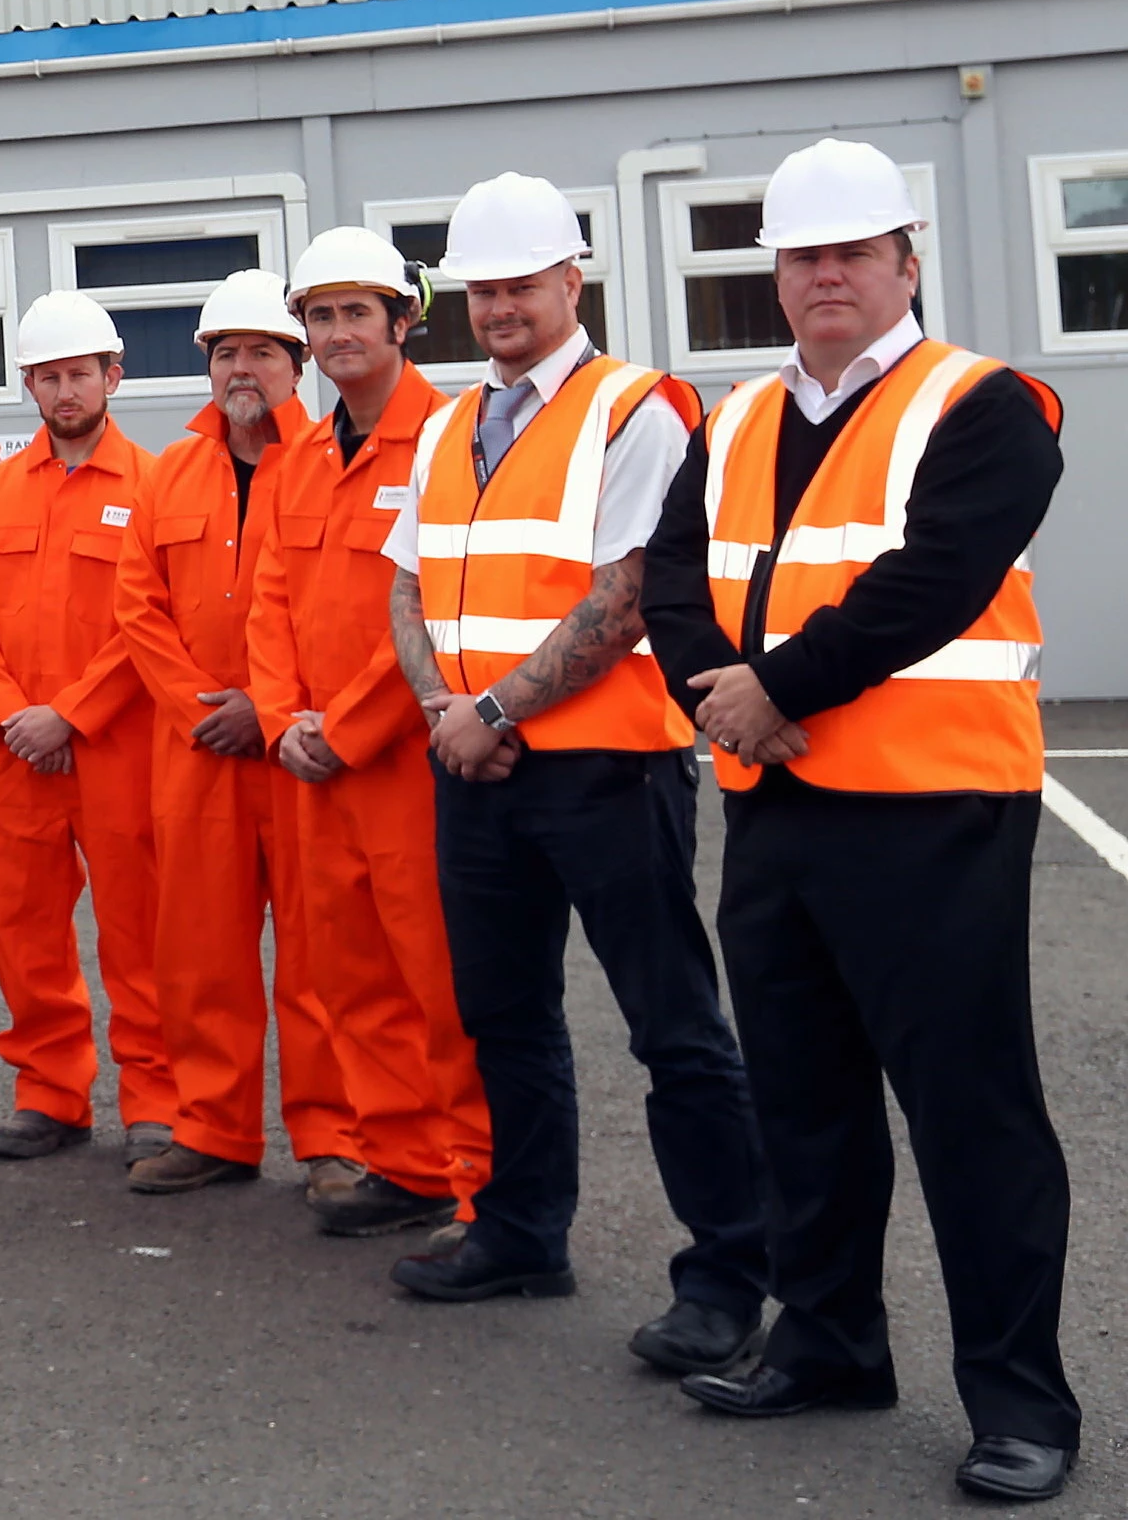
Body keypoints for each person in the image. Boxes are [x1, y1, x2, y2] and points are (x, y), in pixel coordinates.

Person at [642, 139, 1077, 1505]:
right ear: (775, 275)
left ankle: (1019, 1402)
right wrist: (726, 704)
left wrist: (774, 684)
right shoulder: (734, 419)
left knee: (970, 1114)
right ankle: (827, 1343)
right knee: (803, 1101)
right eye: (801, 255)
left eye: (851, 252)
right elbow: (666, 581)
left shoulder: (986, 404)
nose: (825, 274)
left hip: (934, 807)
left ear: (903, 263)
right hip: (777, 809)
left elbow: (932, 579)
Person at [381, 173, 770, 1380]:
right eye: (482, 289)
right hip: (475, 764)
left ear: (573, 281)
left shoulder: (637, 408)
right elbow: (406, 585)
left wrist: (489, 707)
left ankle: (727, 1276)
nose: (500, 308)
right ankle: (522, 1228)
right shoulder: (449, 422)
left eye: (521, 285)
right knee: (504, 1015)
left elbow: (625, 596)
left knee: (675, 1028)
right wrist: (449, 711)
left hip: (607, 767)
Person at [245, 233, 491, 1240]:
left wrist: (343, 728)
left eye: (358, 312)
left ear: (402, 320)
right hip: (314, 761)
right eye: (322, 316)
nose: (339, 332)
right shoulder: (298, 454)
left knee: (438, 976)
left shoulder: (450, 436)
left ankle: (476, 1179)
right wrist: (281, 720)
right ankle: (399, 1161)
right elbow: (267, 600)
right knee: (348, 972)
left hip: (410, 763)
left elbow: (435, 610)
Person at [113, 271, 357, 1202]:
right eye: (225, 353)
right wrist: (193, 709)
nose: (241, 368)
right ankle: (212, 1128)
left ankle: (332, 1139)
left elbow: (337, 607)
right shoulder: (169, 471)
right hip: (198, 752)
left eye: (260, 350)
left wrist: (266, 706)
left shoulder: (331, 459)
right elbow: (135, 606)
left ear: (297, 363)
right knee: (200, 949)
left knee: (317, 950)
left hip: (296, 746)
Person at [0, 289, 171, 1161]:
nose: (64, 390)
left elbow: (150, 617)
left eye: (79, 373)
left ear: (114, 375)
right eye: (47, 377)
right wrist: (12, 716)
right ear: (27, 387)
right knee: (24, 931)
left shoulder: (155, 485)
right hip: (11, 756)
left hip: (117, 746)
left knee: (138, 932)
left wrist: (71, 714)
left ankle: (156, 1099)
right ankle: (51, 1093)